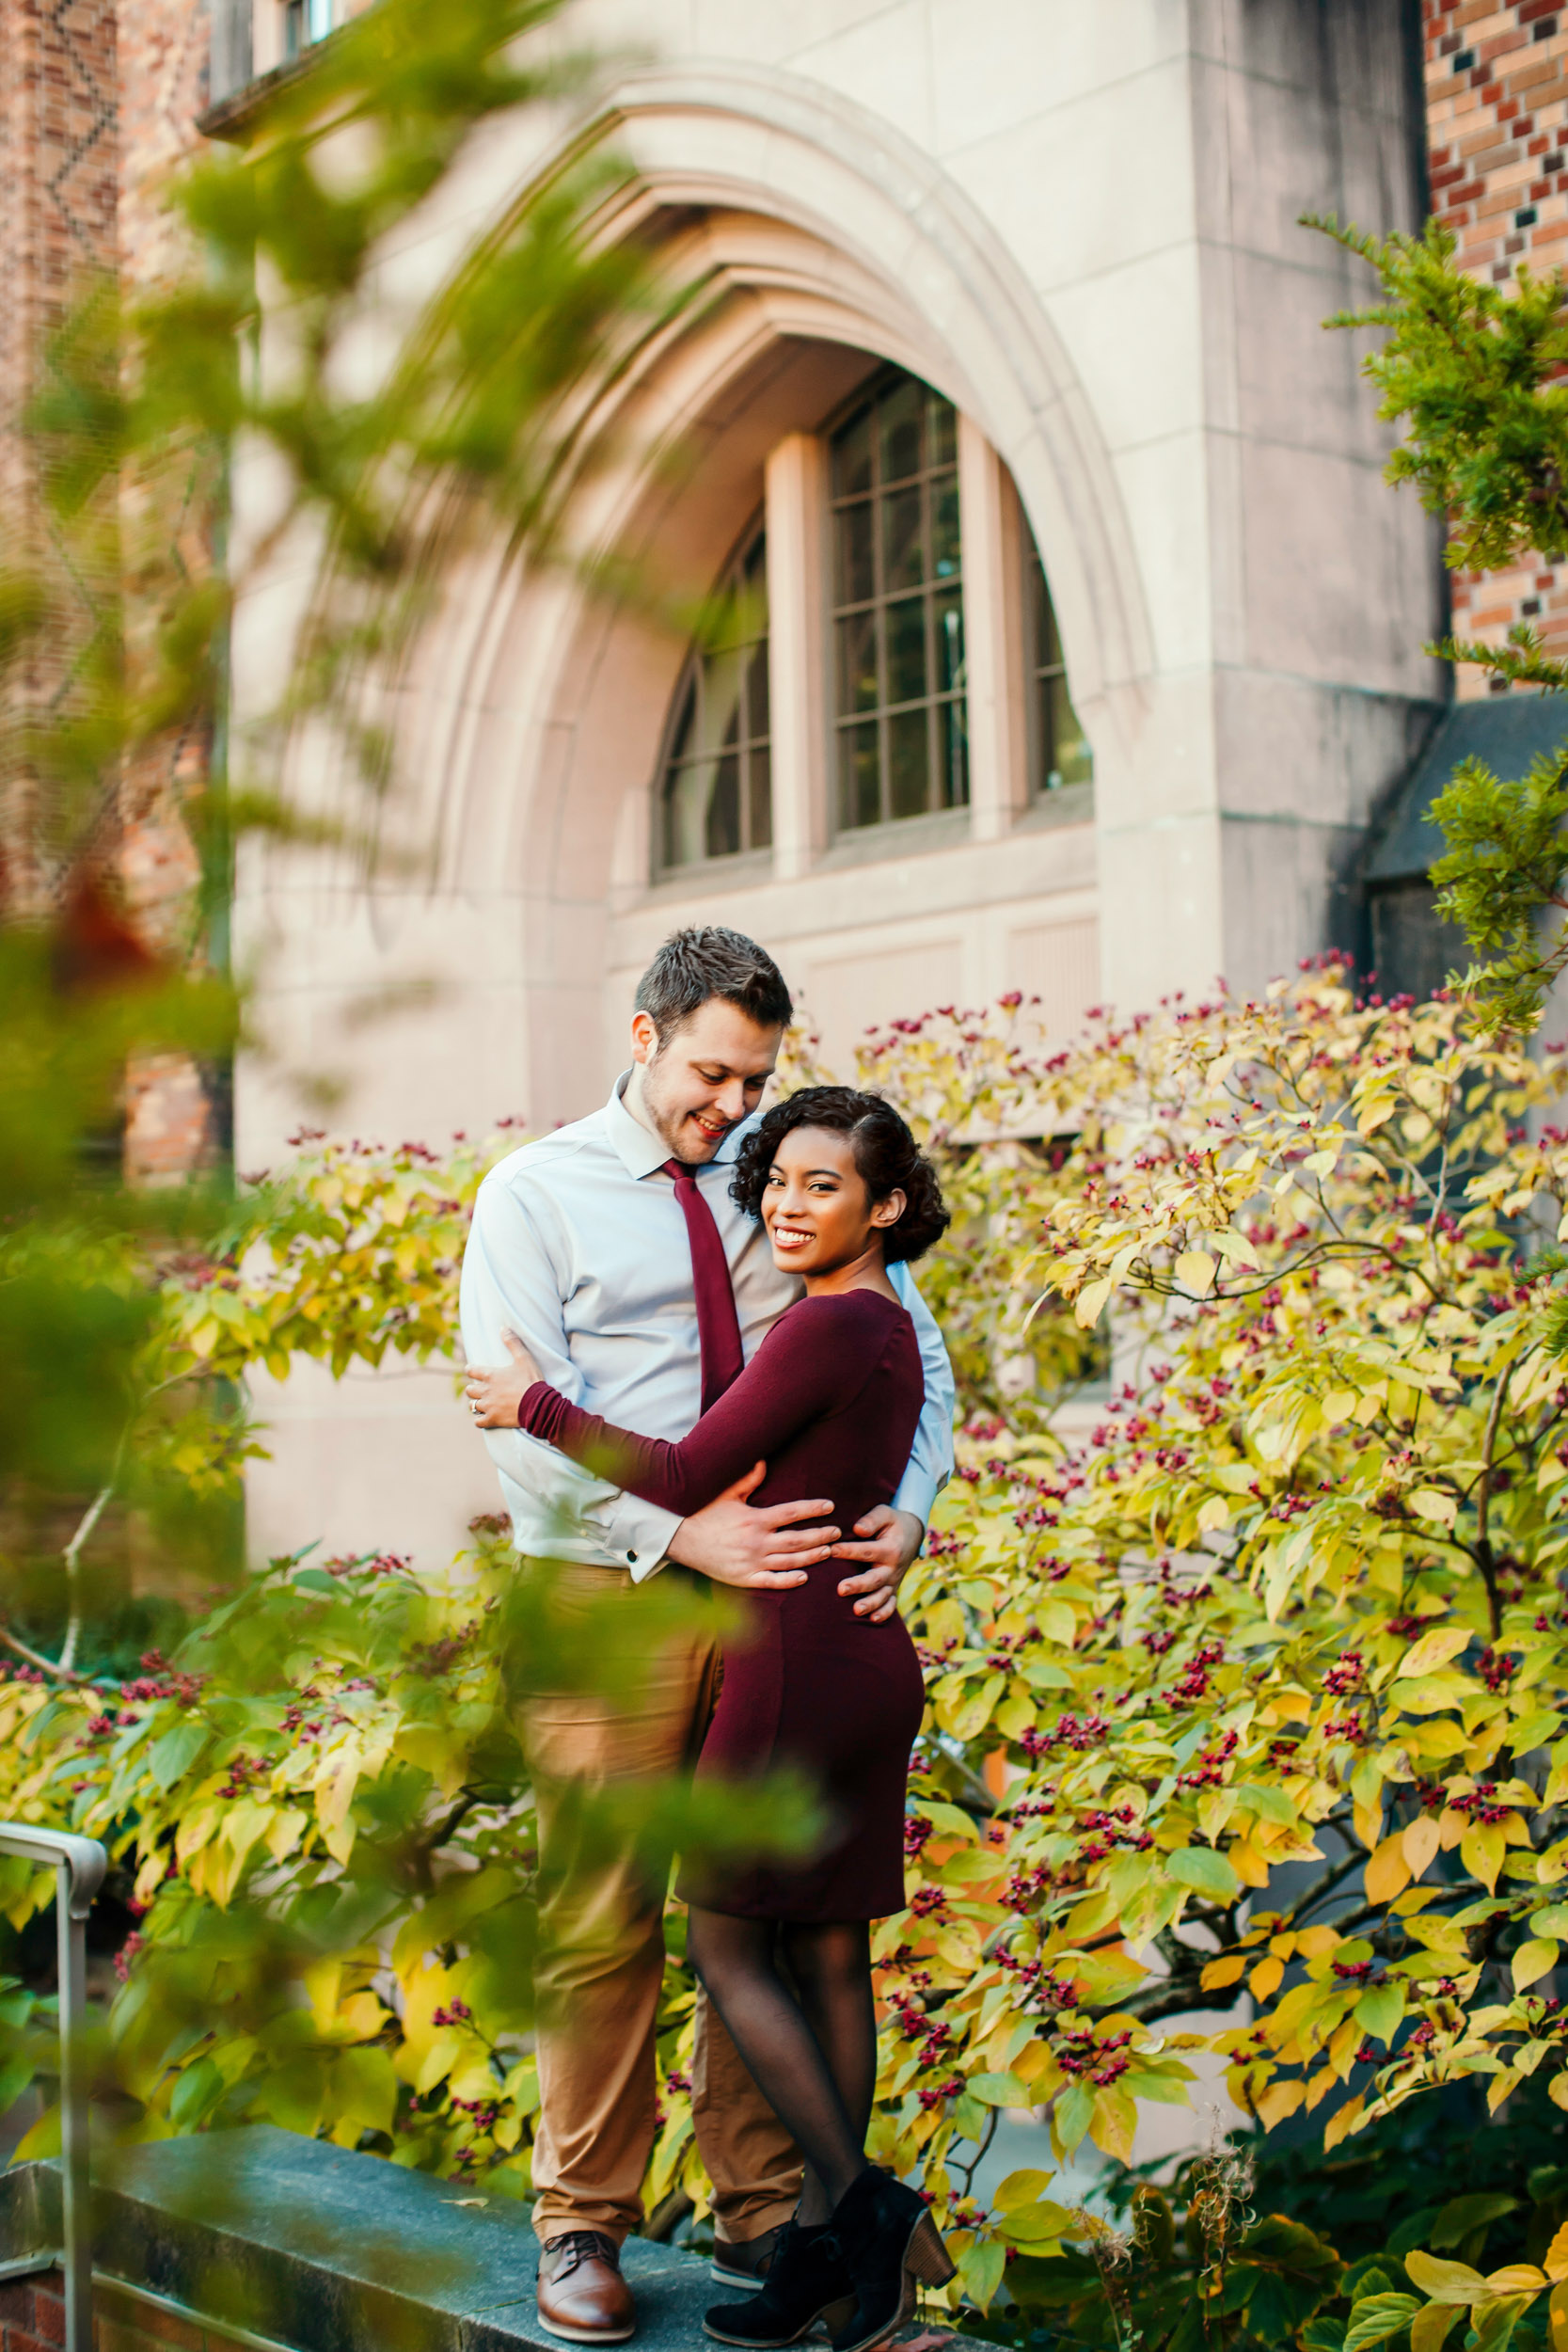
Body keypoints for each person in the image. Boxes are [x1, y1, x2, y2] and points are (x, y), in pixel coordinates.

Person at [458, 928, 955, 2345]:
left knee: (762, 1911)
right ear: (644, 1037)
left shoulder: (787, 1186)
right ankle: (581, 2228)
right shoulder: (534, 1193)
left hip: (781, 1605)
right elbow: (516, 1416)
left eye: (757, 1081)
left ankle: (770, 2222)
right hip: (605, 1596)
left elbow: (923, 1364)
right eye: (714, 1075)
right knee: (603, 1918)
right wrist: (678, 1535)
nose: (734, 1109)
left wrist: (906, 1518)